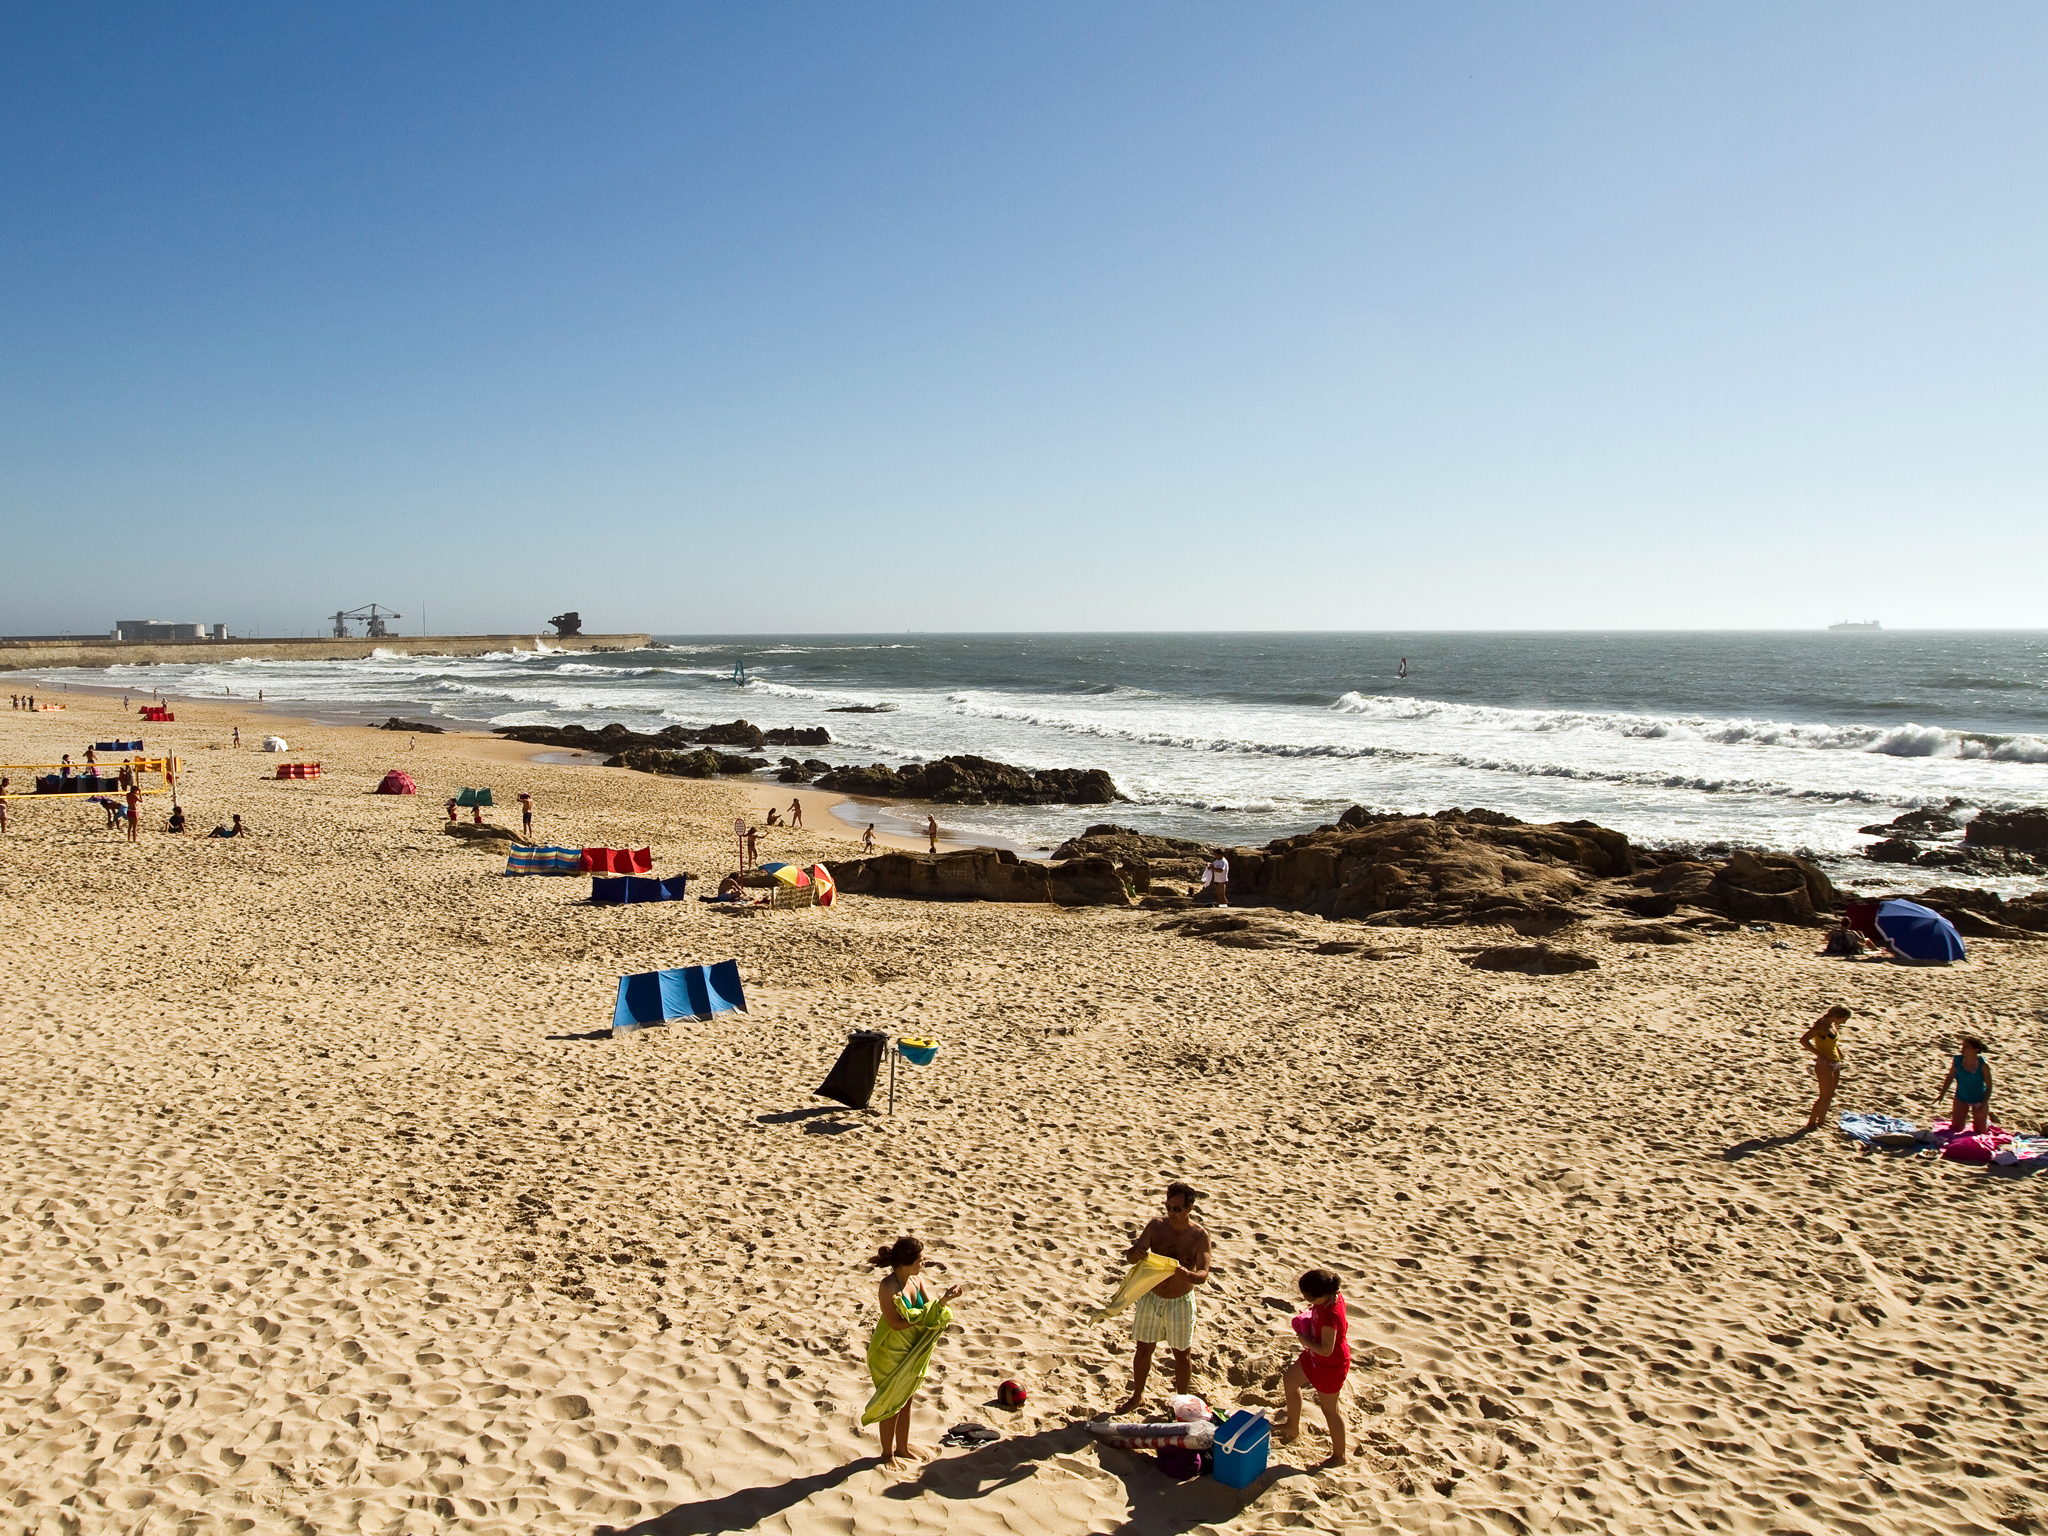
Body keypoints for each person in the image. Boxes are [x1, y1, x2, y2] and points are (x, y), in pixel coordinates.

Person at [863, 1236, 964, 1465]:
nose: (924, 1263)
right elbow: (895, 1323)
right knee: (891, 1403)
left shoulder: (917, 1281)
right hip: (890, 1352)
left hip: (912, 1349)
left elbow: (931, 1310)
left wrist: (945, 1300)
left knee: (906, 1400)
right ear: (907, 1262)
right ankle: (887, 1454)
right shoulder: (887, 1286)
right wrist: (920, 1320)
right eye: (921, 1259)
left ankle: (902, 1448)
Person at [1111, 1182, 1212, 1414]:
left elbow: (1203, 1274)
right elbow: (1131, 1256)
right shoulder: (1156, 1227)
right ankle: (1137, 1396)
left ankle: (1182, 1402)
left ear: (1190, 1208)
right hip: (1152, 1296)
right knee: (1144, 1348)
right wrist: (1135, 1254)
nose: (1171, 1213)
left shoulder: (1199, 1236)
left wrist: (1189, 1275)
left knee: (1181, 1353)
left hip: (1180, 1301)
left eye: (1177, 1209)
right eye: (1168, 1207)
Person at [1277, 1268, 1350, 1466]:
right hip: (1314, 1356)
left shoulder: (1331, 1315)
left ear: (1324, 1294)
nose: (1307, 1299)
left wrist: (1304, 1339)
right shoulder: (1330, 1295)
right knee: (1290, 1380)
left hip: (1330, 1364)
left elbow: (1327, 1350)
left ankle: (1339, 1456)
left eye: (1310, 1297)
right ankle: (1292, 1426)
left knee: (1330, 1410)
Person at [1798, 1006, 1850, 1132]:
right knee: (1823, 1096)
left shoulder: (1832, 1025)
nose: (1844, 1023)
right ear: (1836, 1016)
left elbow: (1832, 1042)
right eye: (1843, 1019)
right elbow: (1804, 1040)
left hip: (1835, 1062)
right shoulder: (1820, 1027)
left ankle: (1821, 1122)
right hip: (1824, 1065)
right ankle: (1811, 1123)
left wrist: (1839, 1052)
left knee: (1830, 1095)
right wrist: (1818, 1054)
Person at [1938, 1036, 1995, 1135]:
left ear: (1975, 1050)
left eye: (1966, 1047)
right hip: (1961, 1096)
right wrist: (1942, 1093)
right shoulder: (1958, 1061)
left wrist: (1983, 1104)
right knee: (1957, 1127)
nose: (1963, 1049)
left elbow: (1989, 1087)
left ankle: (1987, 1121)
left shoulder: (1983, 1065)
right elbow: (1950, 1076)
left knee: (1980, 1131)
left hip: (1979, 1099)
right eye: (1963, 1046)